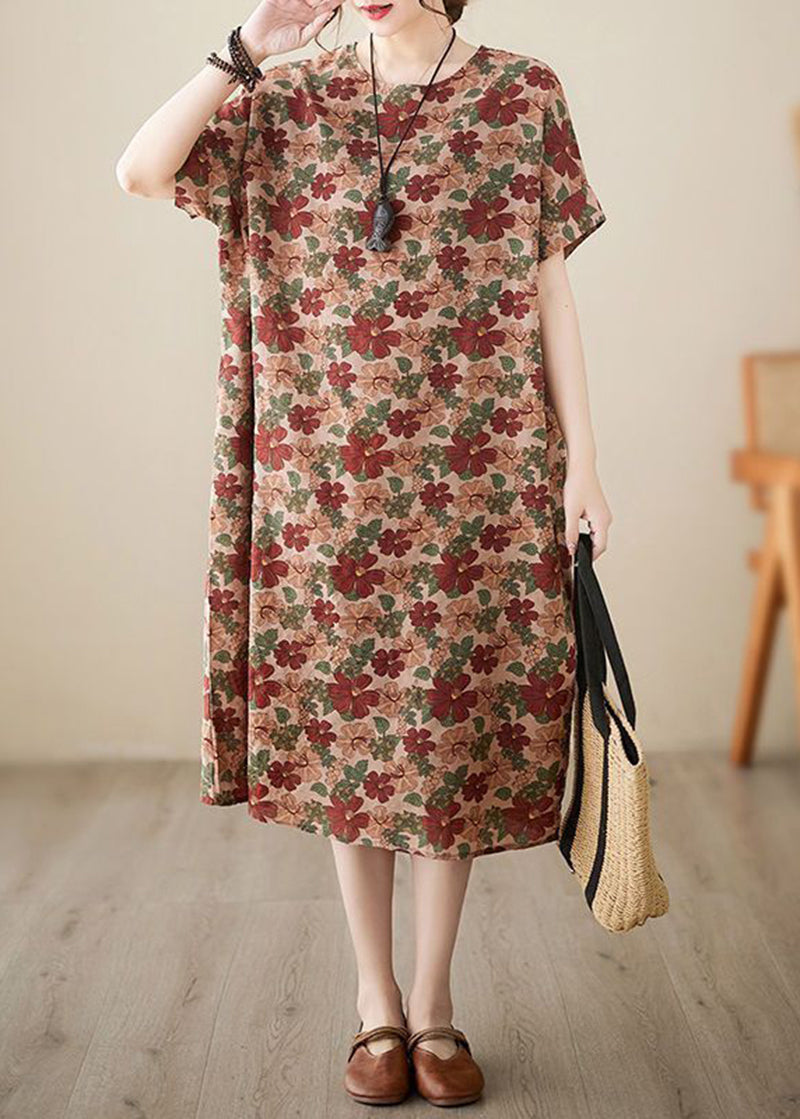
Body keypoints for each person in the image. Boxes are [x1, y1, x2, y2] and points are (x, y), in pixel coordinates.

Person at [116, 0, 612, 1106]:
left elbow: (547, 284)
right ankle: (374, 1002)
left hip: (478, 470)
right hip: (323, 486)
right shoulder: (286, 98)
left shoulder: (520, 93)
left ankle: (433, 1007)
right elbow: (142, 172)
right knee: (352, 740)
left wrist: (583, 460)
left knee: (446, 734)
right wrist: (248, 48)